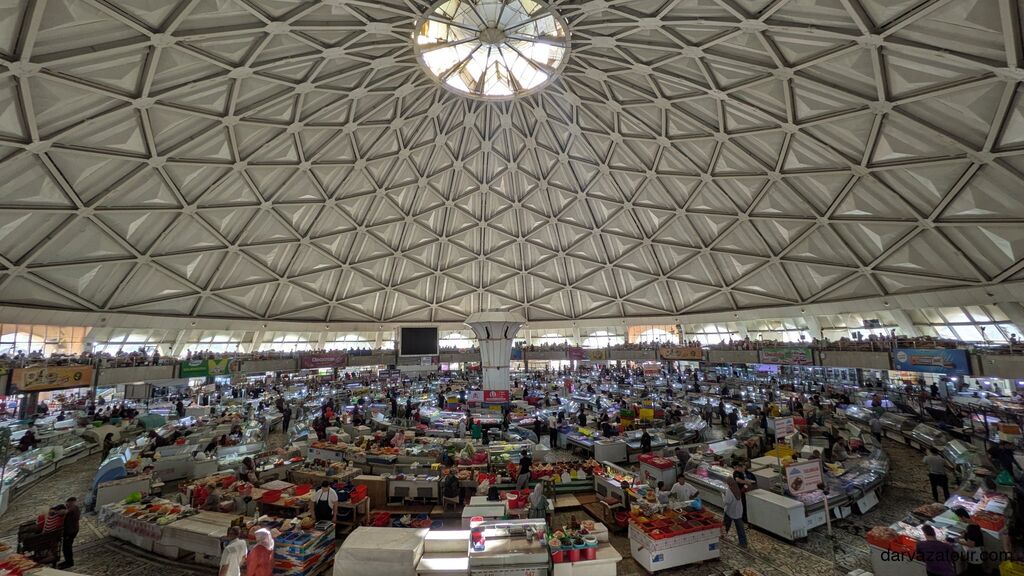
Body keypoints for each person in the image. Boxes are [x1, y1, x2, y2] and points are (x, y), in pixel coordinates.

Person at [952, 508, 984, 576]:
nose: (959, 520)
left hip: (975, 554)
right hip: (978, 552)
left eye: (959, 518)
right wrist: (965, 534)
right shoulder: (973, 524)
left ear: (963, 517)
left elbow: (971, 544)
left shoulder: (971, 529)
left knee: (974, 570)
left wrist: (957, 541)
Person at [722, 478, 747, 548]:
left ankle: (723, 534)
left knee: (726, 524)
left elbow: (727, 501)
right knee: (740, 528)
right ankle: (743, 542)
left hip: (730, 511)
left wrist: (723, 496)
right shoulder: (737, 489)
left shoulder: (729, 491)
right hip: (738, 512)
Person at [58, 497, 80, 568]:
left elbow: (64, 512)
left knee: (67, 547)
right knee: (66, 547)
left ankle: (69, 563)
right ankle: (68, 561)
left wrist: (55, 512)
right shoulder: (74, 508)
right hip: (72, 530)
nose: (66, 505)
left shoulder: (73, 508)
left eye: (67, 503)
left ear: (71, 502)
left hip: (70, 531)